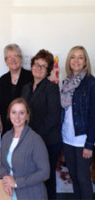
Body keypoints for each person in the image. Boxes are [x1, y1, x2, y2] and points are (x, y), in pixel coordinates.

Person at [21, 49, 62, 199]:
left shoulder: (51, 88)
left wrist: (33, 138)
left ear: (48, 71)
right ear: (31, 66)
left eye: (43, 66)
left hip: (48, 141)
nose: (38, 68)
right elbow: (22, 113)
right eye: (36, 64)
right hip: (30, 140)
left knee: (47, 178)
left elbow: (52, 118)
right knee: (32, 177)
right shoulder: (26, 88)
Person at [61, 46, 95, 199]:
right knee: (74, 177)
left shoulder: (91, 83)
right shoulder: (66, 83)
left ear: (85, 61)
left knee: (83, 179)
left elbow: (94, 115)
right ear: (69, 61)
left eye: (80, 57)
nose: (76, 60)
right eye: (73, 57)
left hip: (82, 139)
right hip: (67, 137)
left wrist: (90, 144)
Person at [0, 98, 50, 200]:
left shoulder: (35, 140)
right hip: (11, 194)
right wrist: (6, 179)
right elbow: (3, 165)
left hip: (32, 195)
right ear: (9, 115)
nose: (17, 117)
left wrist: (17, 182)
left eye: (21, 113)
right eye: (14, 112)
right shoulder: (6, 137)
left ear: (27, 115)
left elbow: (45, 172)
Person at [0, 43, 33, 135]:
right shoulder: (2, 80)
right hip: (6, 129)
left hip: (27, 128)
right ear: (5, 61)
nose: (13, 59)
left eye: (16, 56)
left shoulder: (31, 77)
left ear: (21, 59)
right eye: (9, 57)